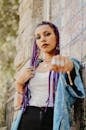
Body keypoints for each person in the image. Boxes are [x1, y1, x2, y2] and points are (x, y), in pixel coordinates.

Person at [13, 21, 85, 130]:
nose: (43, 39)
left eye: (47, 34)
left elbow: (72, 69)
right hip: (28, 117)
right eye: (38, 37)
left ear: (56, 37)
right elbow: (18, 105)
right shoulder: (32, 67)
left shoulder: (63, 62)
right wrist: (19, 83)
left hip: (53, 118)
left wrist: (68, 65)